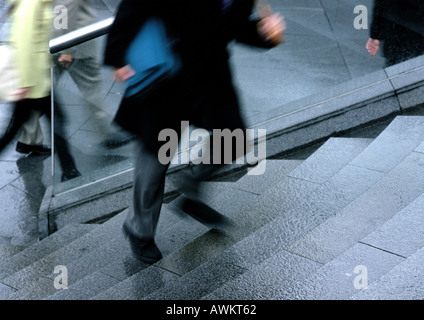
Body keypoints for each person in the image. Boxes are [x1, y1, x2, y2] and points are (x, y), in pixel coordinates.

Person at [104, 0, 285, 264]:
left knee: (232, 139)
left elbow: (232, 27)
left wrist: (264, 33)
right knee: (156, 158)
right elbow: (134, 4)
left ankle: (191, 187)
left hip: (212, 74)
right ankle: (138, 228)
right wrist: (116, 56)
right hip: (169, 73)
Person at [0, 0, 81, 182]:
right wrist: (26, 82)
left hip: (37, 80)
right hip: (33, 83)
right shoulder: (32, 3)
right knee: (57, 120)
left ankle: (69, 169)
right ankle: (69, 170)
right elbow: (25, 42)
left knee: (16, 128)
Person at [52, 0, 134, 149]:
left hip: (65, 41)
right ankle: (106, 133)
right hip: (77, 44)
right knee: (92, 87)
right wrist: (65, 48)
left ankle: (29, 137)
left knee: (43, 88)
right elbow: (63, 8)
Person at [366, 0, 424, 67]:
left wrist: (375, 34)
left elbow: (381, 5)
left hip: (396, 32)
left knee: (395, 71)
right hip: (418, 32)